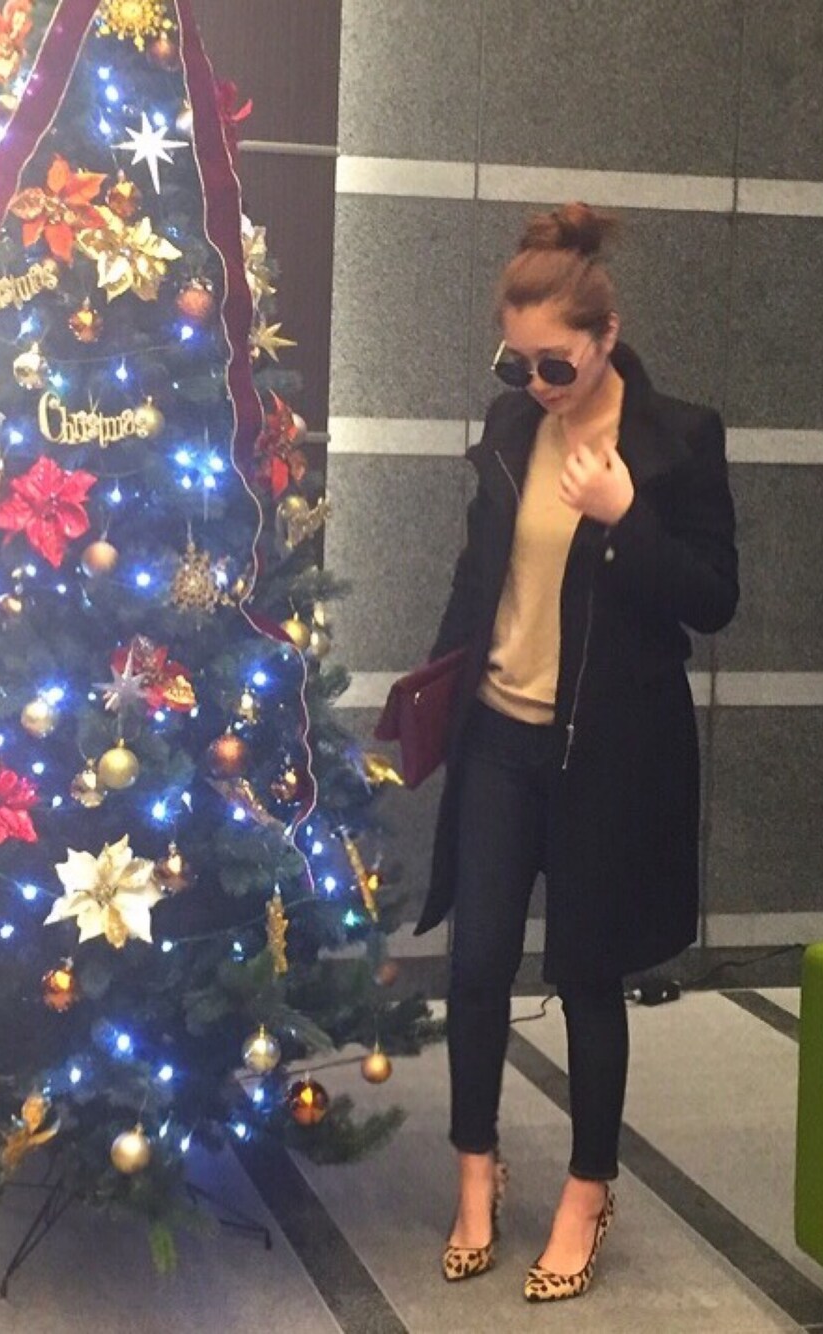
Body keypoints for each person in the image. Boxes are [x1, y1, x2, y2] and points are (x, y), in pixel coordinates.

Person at [414, 201, 739, 1300]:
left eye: (556, 363)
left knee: (588, 978)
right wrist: (431, 693)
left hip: (606, 755)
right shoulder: (513, 427)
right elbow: (479, 575)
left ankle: (587, 1191)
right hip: (498, 738)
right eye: (518, 363)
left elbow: (715, 601)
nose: (537, 383)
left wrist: (624, 515)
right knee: (475, 967)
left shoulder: (678, 439)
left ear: (608, 337)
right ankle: (475, 1173)